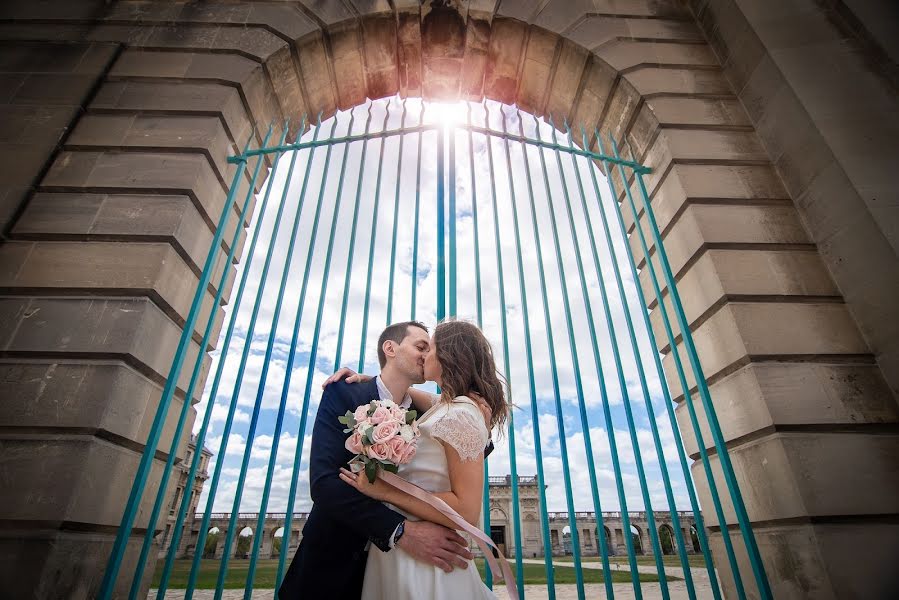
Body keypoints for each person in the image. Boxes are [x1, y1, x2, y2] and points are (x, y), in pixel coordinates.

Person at [277, 321, 495, 600]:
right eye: (420, 346)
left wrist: (481, 426)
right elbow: (325, 483)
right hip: (336, 558)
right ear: (390, 348)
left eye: (430, 349)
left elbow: (457, 457)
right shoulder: (344, 392)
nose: (426, 354)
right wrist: (400, 531)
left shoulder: (426, 412)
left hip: (412, 566)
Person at [337, 319, 510, 600]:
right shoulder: (450, 406)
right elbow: (417, 396)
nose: (423, 355)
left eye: (429, 348)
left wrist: (384, 491)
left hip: (427, 553)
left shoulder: (462, 413)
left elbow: (467, 510)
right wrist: (372, 379)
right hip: (402, 546)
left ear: (446, 355)